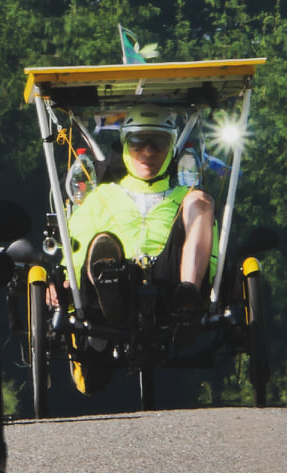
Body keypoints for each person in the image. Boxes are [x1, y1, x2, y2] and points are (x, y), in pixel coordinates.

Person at [64, 106, 215, 325]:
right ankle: (111, 295)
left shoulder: (187, 197)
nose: (148, 152)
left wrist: (215, 283)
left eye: (159, 142)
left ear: (171, 147)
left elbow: (211, 252)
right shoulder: (100, 196)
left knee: (200, 200)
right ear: (125, 144)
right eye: (138, 142)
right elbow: (78, 247)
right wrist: (68, 281)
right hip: (114, 282)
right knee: (103, 243)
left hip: (172, 283)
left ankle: (188, 294)